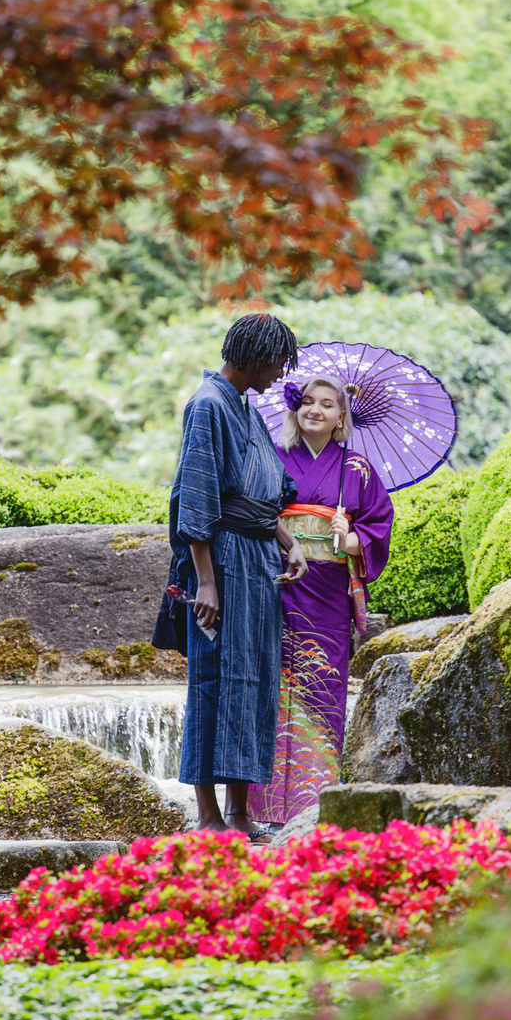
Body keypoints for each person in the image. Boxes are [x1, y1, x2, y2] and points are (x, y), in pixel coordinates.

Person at [169, 314, 309, 844]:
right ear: (253, 357)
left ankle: (239, 810)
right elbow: (200, 495)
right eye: (276, 363)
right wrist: (205, 582)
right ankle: (207, 815)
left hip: (258, 564)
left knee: (253, 685)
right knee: (213, 682)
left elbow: (263, 494)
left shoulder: (247, 409)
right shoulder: (207, 405)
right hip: (222, 564)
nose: (280, 375)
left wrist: (287, 542)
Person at [247, 374, 393, 828]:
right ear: (295, 409)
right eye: (307, 402)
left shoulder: (358, 470)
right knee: (267, 685)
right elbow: (254, 509)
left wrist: (350, 538)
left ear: (341, 416)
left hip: (327, 591)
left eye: (327, 405)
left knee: (321, 683)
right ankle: (261, 805)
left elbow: (380, 524)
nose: (315, 410)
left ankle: (313, 804)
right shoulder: (271, 457)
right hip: (275, 581)